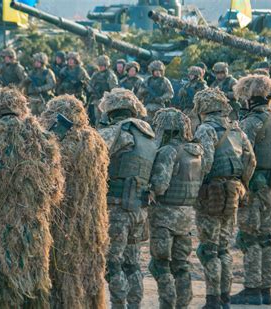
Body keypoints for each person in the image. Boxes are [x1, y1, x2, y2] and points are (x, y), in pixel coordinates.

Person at [0, 87, 64, 308]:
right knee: (33, 286)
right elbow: (55, 188)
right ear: (21, 107)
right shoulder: (40, 135)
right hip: (33, 226)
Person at [40, 95, 109, 309]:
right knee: (89, 269)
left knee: (63, 270)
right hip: (93, 218)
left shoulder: (58, 142)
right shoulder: (95, 140)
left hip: (65, 218)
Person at [193, 88, 256, 309]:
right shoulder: (237, 129)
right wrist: (242, 185)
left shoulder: (205, 129)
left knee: (209, 249)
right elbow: (251, 161)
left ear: (203, 108)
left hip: (211, 194)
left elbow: (206, 162)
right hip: (233, 192)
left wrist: (198, 187)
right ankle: (225, 298)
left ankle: (212, 301)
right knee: (224, 249)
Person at [231, 75, 271, 305]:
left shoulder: (251, 122)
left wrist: (240, 184)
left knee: (249, 238)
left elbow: (243, 155)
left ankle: (252, 289)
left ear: (250, 97)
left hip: (254, 187)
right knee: (266, 238)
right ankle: (265, 289)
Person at [98, 88, 158, 309]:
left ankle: (119, 305)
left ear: (111, 112)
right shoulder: (149, 134)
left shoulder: (115, 132)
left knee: (113, 263)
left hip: (117, 207)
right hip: (140, 208)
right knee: (133, 263)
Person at [148, 108, 204, 309]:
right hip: (186, 215)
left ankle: (167, 303)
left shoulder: (168, 152)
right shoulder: (196, 152)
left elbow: (160, 185)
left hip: (165, 216)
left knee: (160, 265)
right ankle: (183, 303)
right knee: (181, 265)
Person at [88, 55, 118, 126]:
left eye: (102, 65)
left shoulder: (110, 75)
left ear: (106, 65)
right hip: (96, 101)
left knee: (106, 120)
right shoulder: (95, 75)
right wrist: (91, 90)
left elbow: (114, 90)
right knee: (97, 119)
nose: (100, 67)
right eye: (99, 65)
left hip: (106, 102)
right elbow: (89, 87)